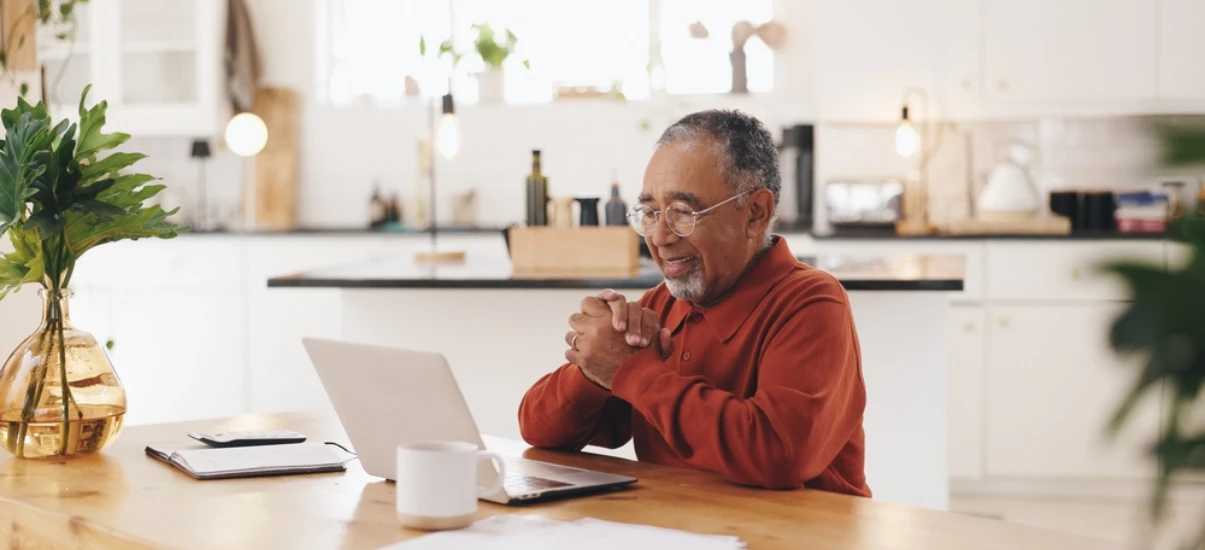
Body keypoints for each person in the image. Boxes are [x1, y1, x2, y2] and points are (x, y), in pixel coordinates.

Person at [517, 109, 870, 496]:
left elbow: (778, 453)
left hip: (801, 526)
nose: (660, 237)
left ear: (756, 213)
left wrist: (631, 371)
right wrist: (593, 367)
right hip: (679, 522)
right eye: (650, 213)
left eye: (683, 212)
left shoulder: (812, 302)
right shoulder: (659, 305)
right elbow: (539, 431)